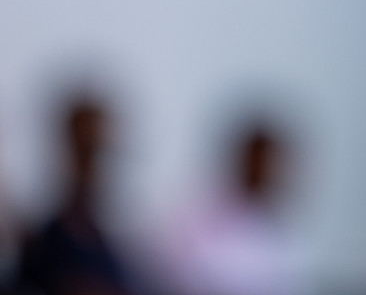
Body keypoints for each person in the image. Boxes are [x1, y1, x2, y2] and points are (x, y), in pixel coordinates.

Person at [155, 118, 305, 295]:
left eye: (268, 163)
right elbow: (176, 274)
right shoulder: (197, 213)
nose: (261, 169)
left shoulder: (283, 239)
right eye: (256, 160)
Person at [14, 93, 138, 295]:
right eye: (87, 152)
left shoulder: (115, 253)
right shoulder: (42, 249)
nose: (95, 169)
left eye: (103, 154)